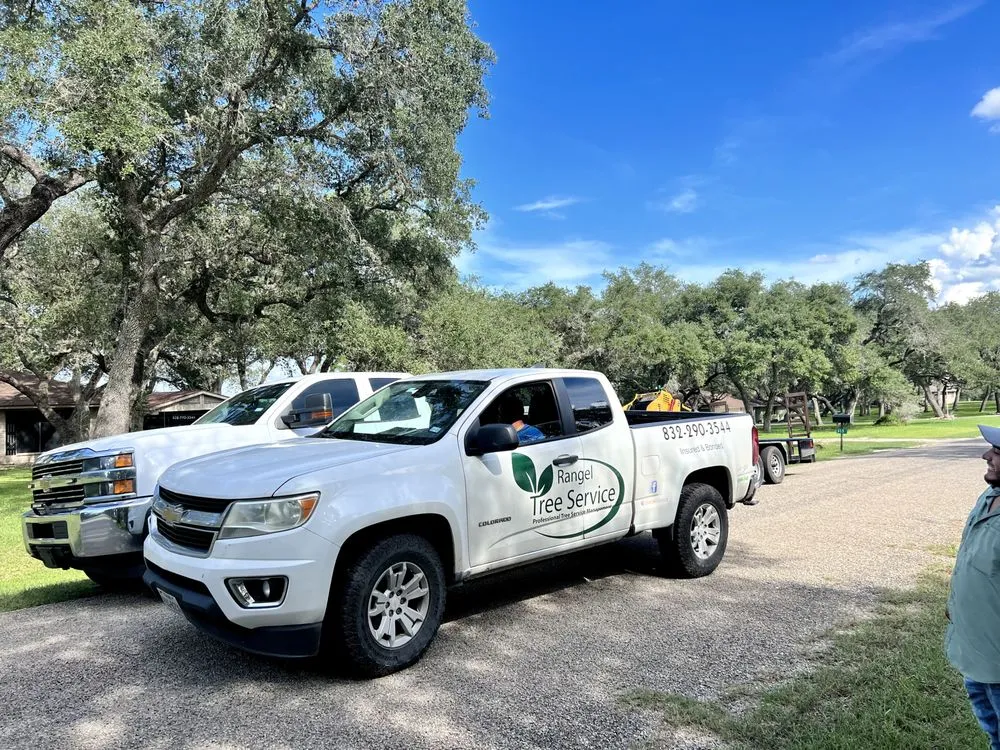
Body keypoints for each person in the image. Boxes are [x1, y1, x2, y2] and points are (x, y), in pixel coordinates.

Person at [946, 424, 1000, 750]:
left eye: (997, 452)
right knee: (994, 733)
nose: (986, 455)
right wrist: (954, 601)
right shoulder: (989, 496)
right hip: (976, 651)